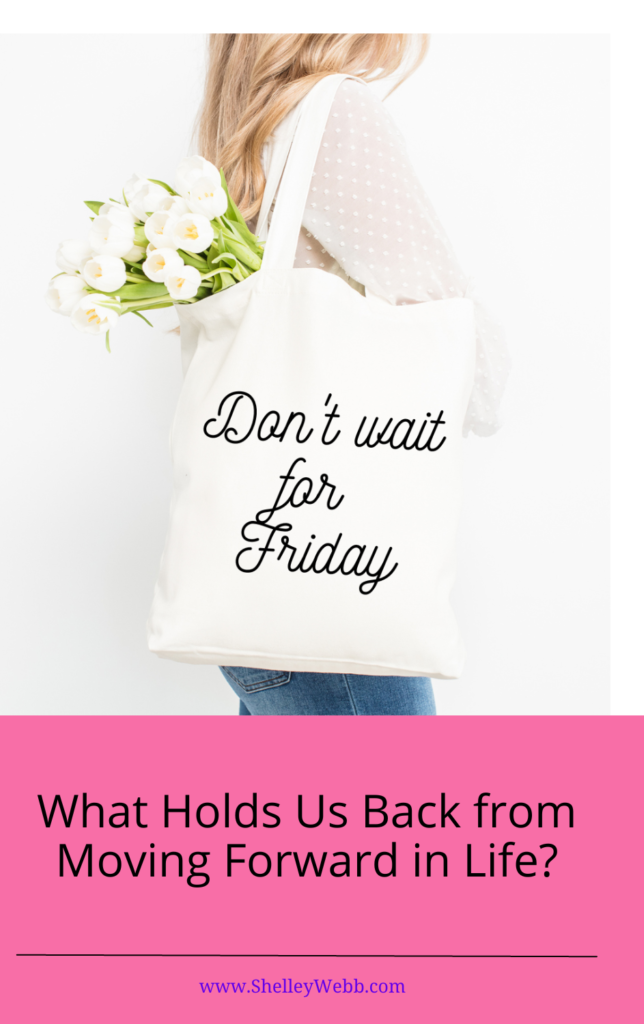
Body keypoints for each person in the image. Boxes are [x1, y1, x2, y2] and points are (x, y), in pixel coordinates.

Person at [191, 33, 510, 716]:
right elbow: (455, 340)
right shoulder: (332, 112)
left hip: (258, 572)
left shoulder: (246, 127)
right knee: (392, 819)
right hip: (334, 577)